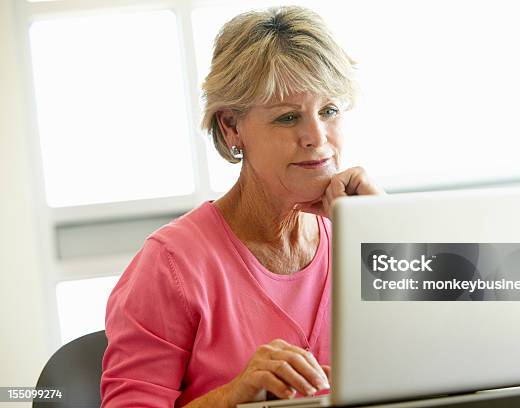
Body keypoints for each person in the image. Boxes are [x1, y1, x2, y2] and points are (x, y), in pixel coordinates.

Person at [100, 5, 385, 407]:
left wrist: (391, 236)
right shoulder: (172, 264)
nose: (316, 137)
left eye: (329, 111)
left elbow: (464, 348)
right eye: (288, 118)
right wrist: (234, 396)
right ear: (231, 127)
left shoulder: (361, 229)